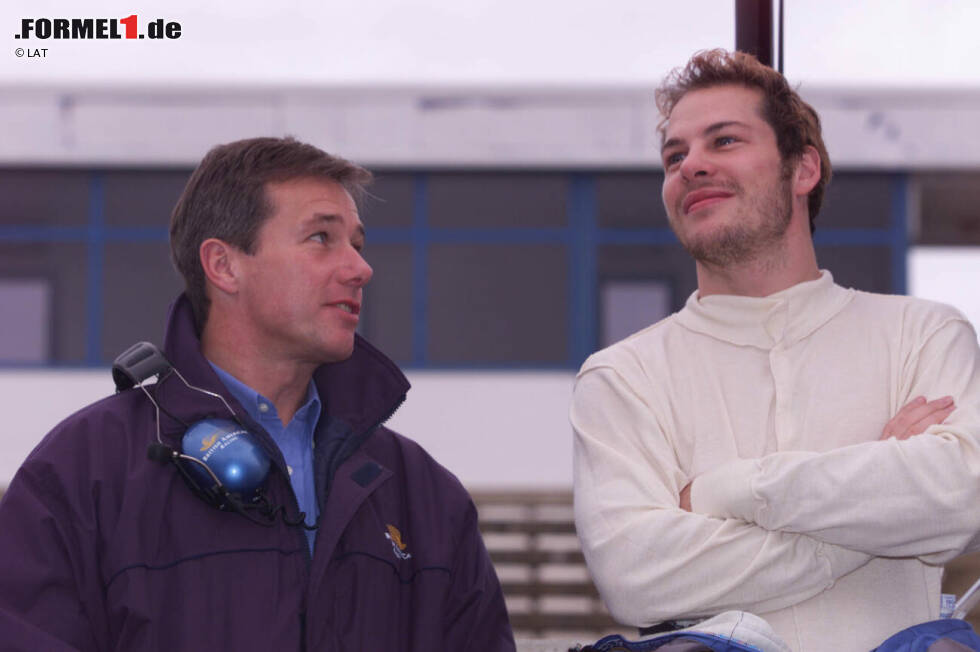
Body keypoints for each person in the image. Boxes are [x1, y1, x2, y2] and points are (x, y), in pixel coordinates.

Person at [0, 137, 515, 651]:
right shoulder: (81, 473)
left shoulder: (424, 494)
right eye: (320, 238)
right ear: (224, 266)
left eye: (356, 245)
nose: (360, 269)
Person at [571, 49, 980, 651]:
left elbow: (962, 496)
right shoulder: (619, 377)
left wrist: (727, 490)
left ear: (803, 170)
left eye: (725, 141)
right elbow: (637, 578)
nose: (692, 167)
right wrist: (878, 488)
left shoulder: (925, 333)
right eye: (674, 156)